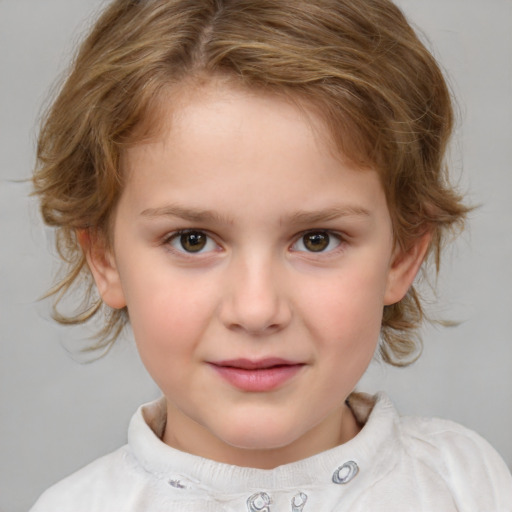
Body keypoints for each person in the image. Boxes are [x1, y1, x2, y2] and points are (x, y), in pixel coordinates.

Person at [29, 0, 512, 510]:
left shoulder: (469, 484)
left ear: (402, 256)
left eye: (316, 239)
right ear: (105, 259)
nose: (257, 310)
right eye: (193, 240)